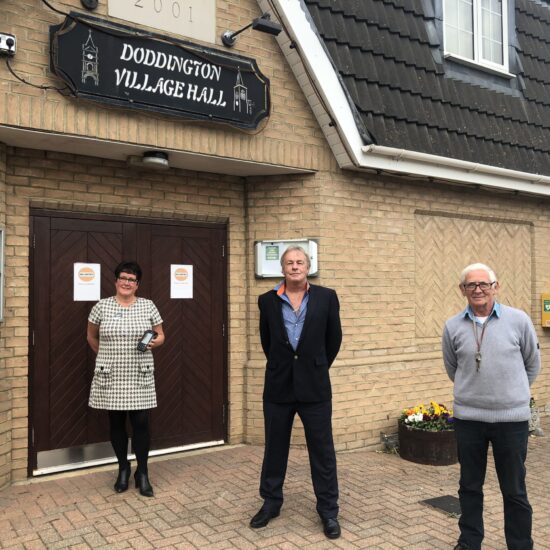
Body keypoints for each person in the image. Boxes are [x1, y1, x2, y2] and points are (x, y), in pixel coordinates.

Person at [442, 263, 540, 550]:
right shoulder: (452, 326)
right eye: (471, 285)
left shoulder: (519, 320)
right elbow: (453, 368)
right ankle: (470, 542)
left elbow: (531, 364)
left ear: (496, 287)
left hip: (511, 421)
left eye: (484, 284)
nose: (478, 290)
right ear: (462, 290)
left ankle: (520, 545)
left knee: (514, 490)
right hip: (469, 420)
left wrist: (511, 394)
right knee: (469, 487)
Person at [251, 246, 343, 539]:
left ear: (308, 266)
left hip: (314, 387)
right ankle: (271, 502)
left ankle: (328, 511)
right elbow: (268, 342)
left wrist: (314, 366)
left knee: (323, 451)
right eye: (289, 263)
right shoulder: (266, 301)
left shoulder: (327, 298)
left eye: (299, 262)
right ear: (282, 268)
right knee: (275, 447)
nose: (294, 267)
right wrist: (285, 366)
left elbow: (334, 339)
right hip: (278, 386)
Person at [87, 261, 165, 497]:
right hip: (111, 374)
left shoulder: (148, 306)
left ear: (137, 284)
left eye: (132, 279)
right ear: (116, 281)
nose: (126, 283)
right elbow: (91, 337)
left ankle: (142, 472)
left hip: (139, 371)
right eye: (123, 278)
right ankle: (123, 467)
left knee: (141, 423)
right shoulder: (101, 306)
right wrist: (106, 358)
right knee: (116, 423)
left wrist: (155, 342)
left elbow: (161, 335)